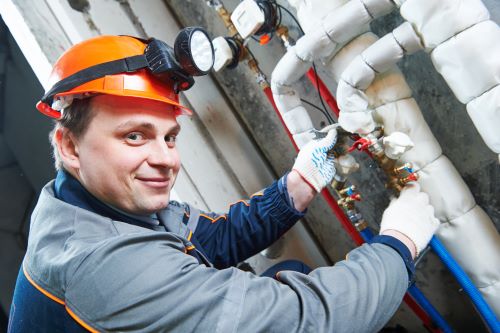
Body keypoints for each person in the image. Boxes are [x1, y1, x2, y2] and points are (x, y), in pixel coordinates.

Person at [8, 34, 439, 333]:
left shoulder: (94, 205)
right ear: (69, 145)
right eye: (134, 136)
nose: (165, 160)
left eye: (170, 137)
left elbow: (210, 240)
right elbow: (307, 321)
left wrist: (299, 184)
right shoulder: (102, 268)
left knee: (290, 272)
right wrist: (399, 244)